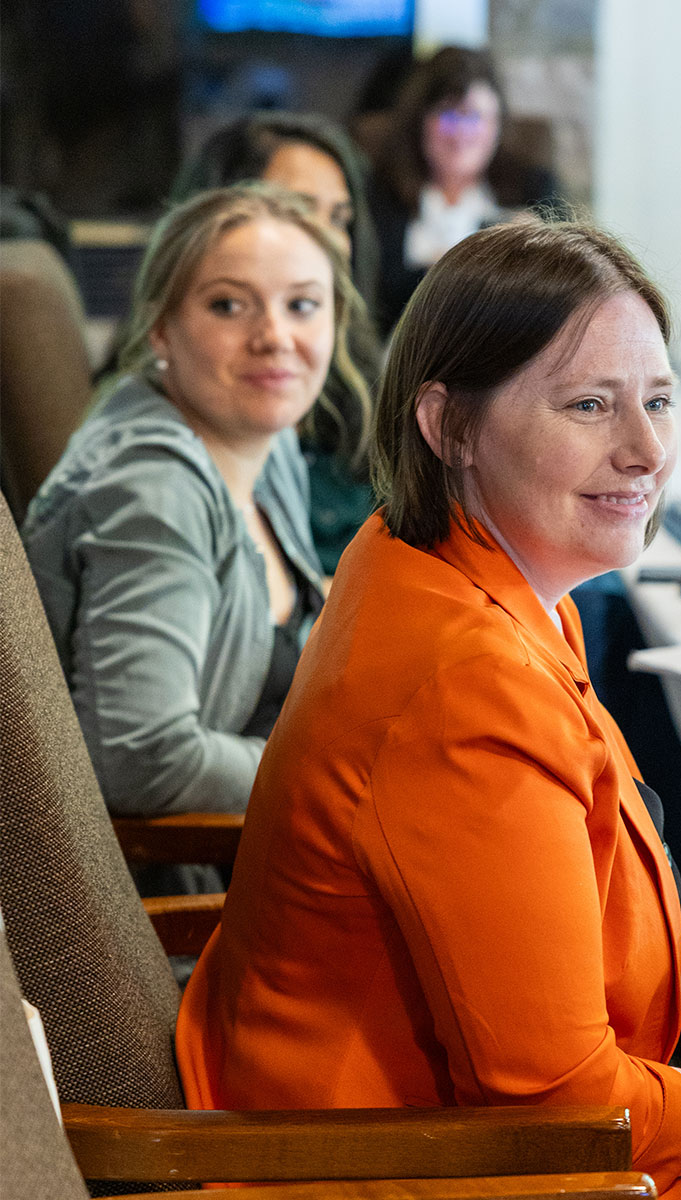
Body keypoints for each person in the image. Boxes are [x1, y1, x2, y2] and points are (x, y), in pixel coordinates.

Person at [175, 220, 681, 1200]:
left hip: (451, 1111)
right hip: (392, 1159)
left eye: (658, 401)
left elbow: (591, 857)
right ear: (450, 427)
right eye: (590, 405)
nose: (645, 450)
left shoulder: (450, 557)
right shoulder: (463, 683)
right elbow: (562, 1113)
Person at [21, 183, 369, 832]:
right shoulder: (155, 491)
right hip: (179, 895)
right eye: (229, 305)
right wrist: (348, 782)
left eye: (302, 305)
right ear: (160, 327)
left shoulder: (263, 441)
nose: (275, 337)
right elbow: (144, 758)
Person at [171, 113, 383, 571]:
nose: (331, 240)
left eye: (340, 218)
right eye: (301, 212)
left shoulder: (353, 371)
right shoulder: (173, 445)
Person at [366, 45, 562, 336]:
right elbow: (370, 303)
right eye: (448, 116)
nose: (461, 133)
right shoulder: (381, 192)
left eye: (474, 117)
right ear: (421, 122)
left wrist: (539, 252)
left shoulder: (533, 189)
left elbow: (565, 293)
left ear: (497, 124)